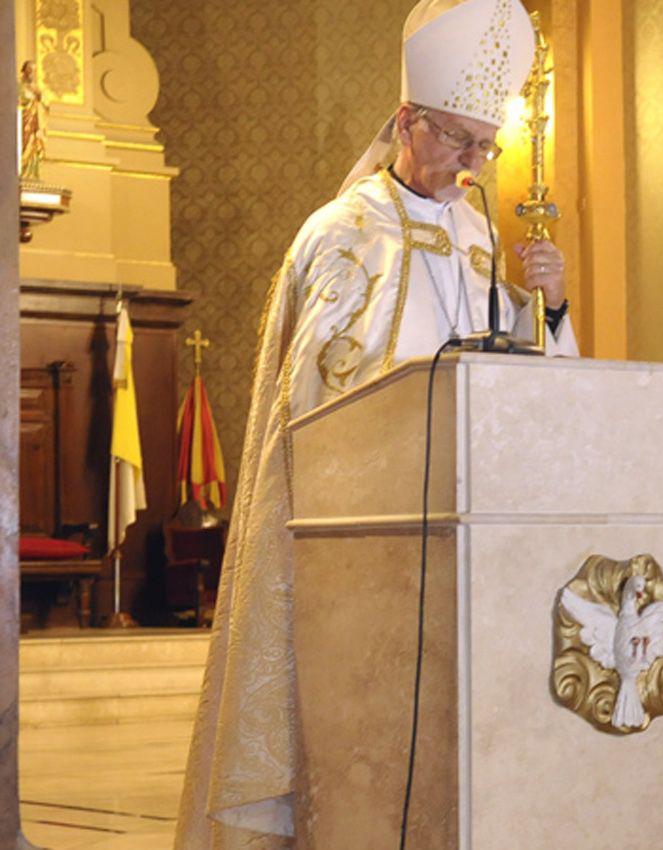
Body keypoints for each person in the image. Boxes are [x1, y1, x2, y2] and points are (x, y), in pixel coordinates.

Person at [175, 2, 575, 847]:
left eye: (484, 145)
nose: (474, 164)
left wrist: (553, 305)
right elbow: (315, 412)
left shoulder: (476, 236)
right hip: (360, 555)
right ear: (406, 121)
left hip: (465, 544)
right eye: (459, 140)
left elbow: (527, 393)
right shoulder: (339, 234)